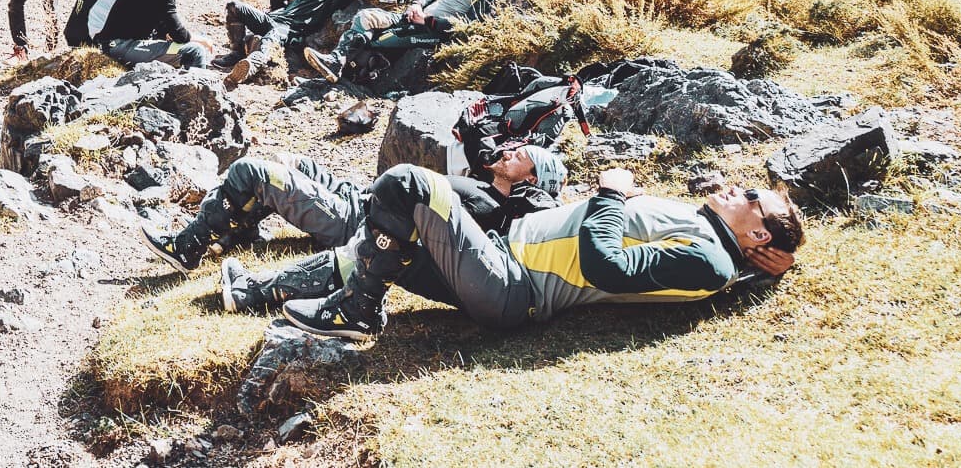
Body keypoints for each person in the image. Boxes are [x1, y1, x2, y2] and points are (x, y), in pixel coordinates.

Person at [280, 164, 803, 343]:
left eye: (752, 198)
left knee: (408, 184)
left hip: (512, 287)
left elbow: (608, 267)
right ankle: (253, 291)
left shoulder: (710, 259)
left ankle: (358, 310)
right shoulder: (708, 237)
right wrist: (768, 273)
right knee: (383, 237)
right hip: (497, 259)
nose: (738, 189)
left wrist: (611, 195)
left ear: (759, 235)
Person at [140, 141, 566, 310]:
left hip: (357, 218)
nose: (510, 151)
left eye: (521, 156)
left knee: (253, 171)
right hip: (355, 194)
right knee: (291, 161)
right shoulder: (483, 187)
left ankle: (188, 247)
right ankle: (238, 229)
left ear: (531, 180)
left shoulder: (495, 210)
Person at [304, 0, 507, 84]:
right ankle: (335, 62)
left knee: (378, 39)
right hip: (412, 17)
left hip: (428, 30)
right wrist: (416, 4)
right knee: (366, 16)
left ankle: (337, 69)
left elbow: (468, 27)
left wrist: (427, 21)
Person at [219, 0, 358, 87]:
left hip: (290, 30)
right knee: (234, 6)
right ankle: (236, 53)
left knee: (273, 34)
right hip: (270, 20)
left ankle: (253, 63)